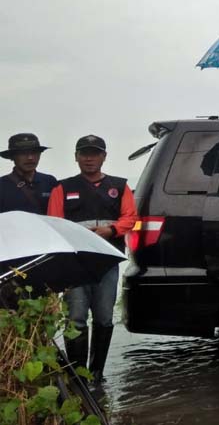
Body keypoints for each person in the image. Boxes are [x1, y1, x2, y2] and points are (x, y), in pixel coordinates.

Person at [46, 135, 138, 384]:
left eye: (95, 153)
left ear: (104, 156)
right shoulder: (62, 188)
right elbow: (54, 222)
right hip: (75, 265)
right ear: (76, 157)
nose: (89, 158)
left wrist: (111, 230)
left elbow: (130, 218)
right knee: (75, 317)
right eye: (84, 153)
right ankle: (77, 375)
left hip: (107, 263)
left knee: (104, 317)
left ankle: (97, 373)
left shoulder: (120, 186)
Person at [0, 133, 57, 214]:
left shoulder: (50, 181)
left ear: (40, 155)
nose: (30, 157)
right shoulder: (2, 185)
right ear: (12, 157)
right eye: (23, 153)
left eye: (34, 152)